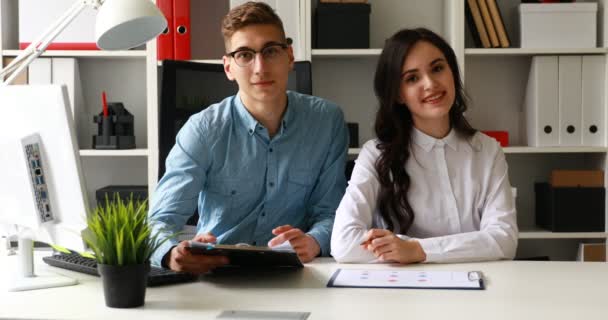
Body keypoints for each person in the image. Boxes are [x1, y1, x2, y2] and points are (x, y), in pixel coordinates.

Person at [149, 1, 348, 273]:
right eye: (244, 54)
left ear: (289, 56)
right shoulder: (202, 130)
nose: (260, 67)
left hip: (296, 271)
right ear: (229, 67)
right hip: (217, 270)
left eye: (271, 51)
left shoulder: (327, 122)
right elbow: (160, 220)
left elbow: (331, 211)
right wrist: (171, 253)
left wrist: (314, 240)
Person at [330, 28, 518, 264]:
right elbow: (344, 244)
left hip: (477, 288)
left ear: (452, 72)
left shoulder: (488, 151)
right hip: (403, 293)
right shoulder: (375, 154)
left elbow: (504, 239)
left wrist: (416, 249)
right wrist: (409, 249)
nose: (430, 84)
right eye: (412, 78)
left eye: (438, 68)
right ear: (398, 94)